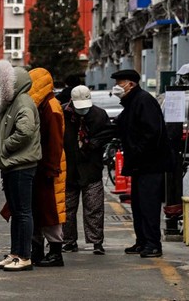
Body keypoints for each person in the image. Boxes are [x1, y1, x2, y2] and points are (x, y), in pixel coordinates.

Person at [0, 60, 41, 272]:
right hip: (11, 165)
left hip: (21, 165)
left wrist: (5, 147)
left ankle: (24, 256)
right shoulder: (11, 103)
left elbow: (25, 131)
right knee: (17, 212)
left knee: (23, 212)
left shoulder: (23, 102)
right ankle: (16, 253)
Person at [111, 69, 171, 258]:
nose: (117, 88)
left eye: (120, 83)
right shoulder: (131, 103)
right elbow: (121, 127)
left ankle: (153, 244)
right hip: (139, 165)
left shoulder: (143, 101)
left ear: (131, 84)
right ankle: (142, 241)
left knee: (149, 204)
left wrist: (136, 151)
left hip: (150, 164)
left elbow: (152, 133)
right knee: (138, 205)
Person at [62, 85, 114, 256]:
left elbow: (108, 133)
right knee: (68, 209)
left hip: (91, 168)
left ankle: (96, 242)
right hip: (69, 168)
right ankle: (69, 241)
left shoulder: (99, 115)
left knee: (94, 207)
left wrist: (95, 142)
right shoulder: (63, 114)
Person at [27, 68, 67, 267]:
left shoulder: (50, 106)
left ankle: (55, 252)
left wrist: (51, 167)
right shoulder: (45, 105)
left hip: (50, 166)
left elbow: (55, 141)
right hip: (45, 164)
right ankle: (39, 251)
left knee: (51, 210)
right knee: (41, 209)